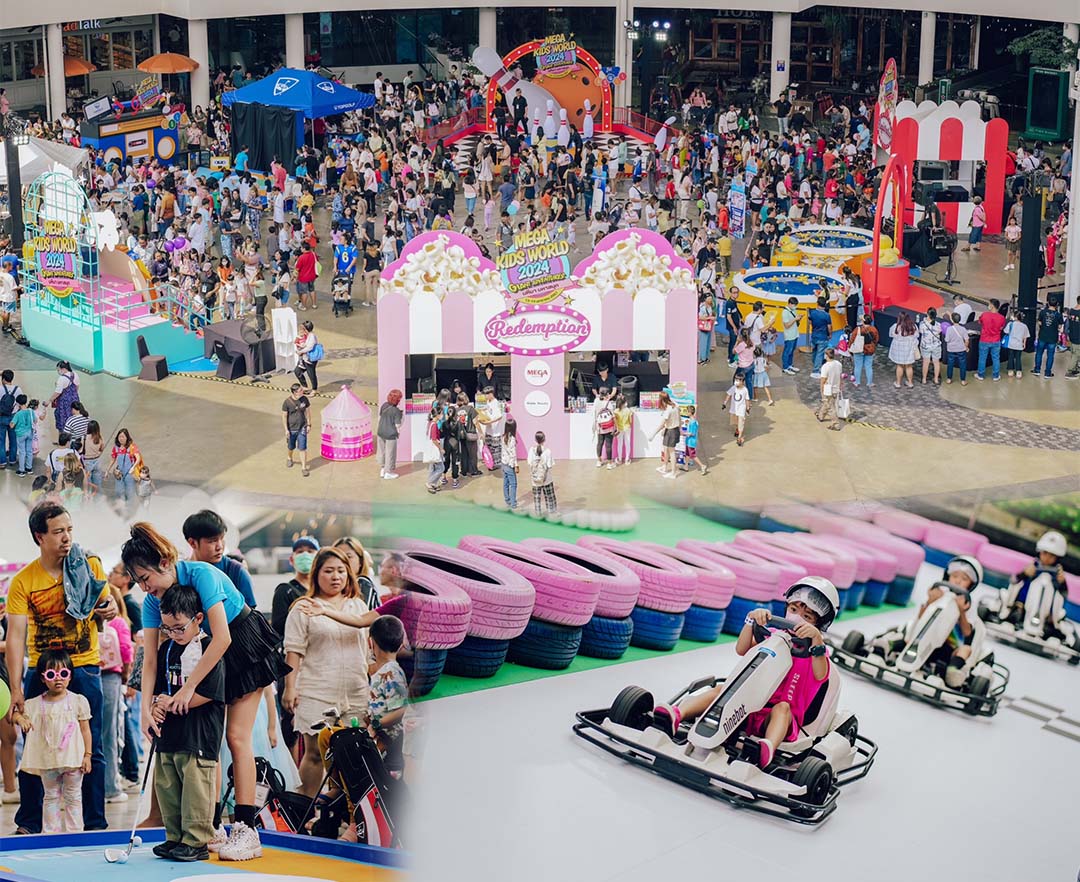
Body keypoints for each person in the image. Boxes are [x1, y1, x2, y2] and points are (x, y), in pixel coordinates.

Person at [121, 522, 289, 861]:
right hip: (205, 655)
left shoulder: (202, 575)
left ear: (164, 563)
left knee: (236, 738)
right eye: (137, 581)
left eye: (145, 578)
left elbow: (223, 638)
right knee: (208, 742)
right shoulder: (154, 602)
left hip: (243, 646)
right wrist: (146, 709)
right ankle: (210, 828)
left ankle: (246, 829)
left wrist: (189, 689)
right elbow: (150, 660)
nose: (144, 587)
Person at [5, 504, 117, 834]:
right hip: (42, 670)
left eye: (69, 529)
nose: (67, 537)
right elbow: (15, 637)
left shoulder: (89, 564)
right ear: (39, 536)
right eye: (58, 532)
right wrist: (16, 688)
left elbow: (106, 604)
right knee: (34, 746)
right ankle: (29, 823)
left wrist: (109, 608)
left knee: (92, 746)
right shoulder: (24, 581)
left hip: (84, 667)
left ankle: (94, 824)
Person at [651, 578, 839, 769]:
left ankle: (767, 747)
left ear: (819, 624)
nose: (797, 618)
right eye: (793, 610)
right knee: (722, 689)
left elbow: (821, 674)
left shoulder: (816, 652)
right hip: (747, 704)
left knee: (782, 708)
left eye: (807, 616)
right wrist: (751, 621)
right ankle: (677, 715)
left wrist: (816, 639)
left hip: (778, 718)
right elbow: (742, 649)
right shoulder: (772, 634)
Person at [283, 548, 374, 796]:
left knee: (353, 754)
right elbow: (293, 651)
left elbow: (368, 651)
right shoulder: (303, 608)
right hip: (317, 690)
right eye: (329, 571)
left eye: (341, 571)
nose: (336, 576)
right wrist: (290, 688)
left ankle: (346, 811)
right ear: (316, 574)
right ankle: (306, 810)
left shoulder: (358, 605)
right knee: (314, 754)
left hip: (355, 691)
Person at [148, 584, 226, 863]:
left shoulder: (209, 648)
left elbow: (211, 692)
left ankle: (195, 841)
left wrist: (172, 702)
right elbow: (159, 688)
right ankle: (174, 837)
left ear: (198, 619)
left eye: (179, 628)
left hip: (198, 734)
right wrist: (157, 705)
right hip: (170, 734)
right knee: (167, 785)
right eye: (167, 628)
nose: (174, 634)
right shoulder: (167, 648)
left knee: (196, 788)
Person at [13, 650, 93, 832]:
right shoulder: (34, 704)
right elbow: (15, 713)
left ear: (70, 676)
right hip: (48, 761)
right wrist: (21, 720)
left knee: (73, 796)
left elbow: (85, 730)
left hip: (73, 760)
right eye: (51, 674)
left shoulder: (78, 701)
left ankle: (75, 833)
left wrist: (87, 755)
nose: (58, 679)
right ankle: (51, 833)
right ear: (43, 678)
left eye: (63, 673)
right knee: (50, 796)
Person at [182, 510, 258, 609]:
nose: (220, 546)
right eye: (212, 541)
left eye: (222, 538)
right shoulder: (183, 574)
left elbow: (250, 615)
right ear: (192, 543)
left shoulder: (236, 572)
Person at [999, 531, 1069, 630]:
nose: (1047, 558)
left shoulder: (1058, 574)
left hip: (1046, 609)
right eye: (1045, 553)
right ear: (1040, 552)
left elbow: (1064, 594)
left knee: (1056, 598)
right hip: (1025, 604)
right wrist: (1024, 574)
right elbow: (1013, 581)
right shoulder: (1033, 567)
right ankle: (1017, 609)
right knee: (1023, 588)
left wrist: (1062, 583)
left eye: (1052, 556)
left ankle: (1049, 622)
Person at [367, 615, 408, 772]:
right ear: (401, 644)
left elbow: (402, 709)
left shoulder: (391, 672)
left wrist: (376, 724)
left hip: (392, 748)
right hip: (383, 744)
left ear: (371, 642)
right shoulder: (385, 671)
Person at [650, 390, 681, 479]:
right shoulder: (675, 405)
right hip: (673, 430)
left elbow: (662, 424)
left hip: (671, 431)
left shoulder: (668, 410)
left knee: (672, 452)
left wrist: (653, 434)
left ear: (662, 400)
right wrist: (679, 429)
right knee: (665, 449)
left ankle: (673, 472)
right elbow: (679, 418)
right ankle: (664, 467)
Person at [282, 383, 311, 477]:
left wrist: (309, 424)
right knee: (291, 447)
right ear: (295, 392)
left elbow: (307, 412)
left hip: (302, 427)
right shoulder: (287, 402)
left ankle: (304, 468)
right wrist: (286, 430)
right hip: (292, 429)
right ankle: (289, 457)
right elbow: (284, 416)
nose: (303, 391)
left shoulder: (304, 399)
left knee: (302, 448)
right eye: (300, 390)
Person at [527, 431, 557, 515]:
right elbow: (550, 465)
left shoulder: (531, 450)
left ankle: (538, 513)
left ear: (535, 440)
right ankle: (551, 511)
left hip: (535, 479)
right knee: (549, 496)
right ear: (544, 439)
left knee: (537, 497)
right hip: (546, 479)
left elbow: (529, 463)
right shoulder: (547, 451)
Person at [976, 299, 1006, 381]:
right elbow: (1001, 327)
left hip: (984, 340)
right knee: (996, 358)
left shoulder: (984, 315)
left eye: (989, 304)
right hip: (996, 340)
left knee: (982, 358)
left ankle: (980, 375)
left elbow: (980, 322)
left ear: (992, 306)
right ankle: (996, 376)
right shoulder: (1002, 317)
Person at [110, 428, 142, 503]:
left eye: (123, 437)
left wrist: (133, 468)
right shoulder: (116, 448)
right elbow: (113, 459)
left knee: (130, 491)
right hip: (119, 473)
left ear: (127, 437)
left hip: (129, 473)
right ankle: (122, 505)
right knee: (119, 491)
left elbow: (138, 458)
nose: (121, 438)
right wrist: (108, 471)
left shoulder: (132, 447)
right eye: (119, 437)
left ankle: (130, 505)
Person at [377, 389, 403, 480]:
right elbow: (398, 425)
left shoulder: (384, 405)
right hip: (390, 434)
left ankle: (382, 469)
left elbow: (380, 417)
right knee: (390, 453)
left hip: (380, 431)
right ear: (398, 400)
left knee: (382, 451)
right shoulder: (396, 411)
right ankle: (388, 472)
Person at [888, 311, 918, 388]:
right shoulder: (913, 326)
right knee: (909, 366)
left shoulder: (895, 327)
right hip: (909, 349)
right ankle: (910, 383)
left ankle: (898, 383)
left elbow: (891, 334)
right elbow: (916, 336)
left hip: (899, 349)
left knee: (899, 365)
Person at [49, 361, 80, 435]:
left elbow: (58, 392)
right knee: (74, 417)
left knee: (62, 420)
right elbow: (77, 387)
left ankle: (63, 438)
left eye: (58, 370)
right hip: (74, 400)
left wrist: (49, 400)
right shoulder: (75, 374)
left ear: (63, 369)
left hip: (64, 403)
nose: (58, 372)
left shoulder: (61, 378)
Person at [1034, 300, 1063, 379]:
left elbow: (1039, 323)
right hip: (1053, 338)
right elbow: (1060, 327)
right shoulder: (1058, 315)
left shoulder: (1043, 312)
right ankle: (1047, 373)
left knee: (1039, 353)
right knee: (1050, 356)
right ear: (1057, 304)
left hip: (1042, 336)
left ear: (1048, 303)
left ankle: (1037, 370)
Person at [817, 347, 843, 431]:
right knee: (828, 403)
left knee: (831, 407)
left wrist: (821, 391)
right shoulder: (838, 364)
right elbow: (840, 376)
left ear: (826, 355)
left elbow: (823, 380)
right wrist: (841, 385)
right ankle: (821, 415)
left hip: (828, 389)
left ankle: (836, 424)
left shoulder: (825, 366)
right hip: (836, 387)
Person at [0, 369, 21, 469]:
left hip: (2, 417)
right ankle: (12, 460)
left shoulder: (0, 389)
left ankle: (2, 462)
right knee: (13, 439)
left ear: (3, 379)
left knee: (1, 440)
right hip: (14, 417)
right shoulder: (18, 389)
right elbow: (21, 404)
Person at [10, 394, 35, 477]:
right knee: (29, 451)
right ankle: (29, 468)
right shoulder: (31, 411)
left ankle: (21, 470)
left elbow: (12, 425)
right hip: (30, 433)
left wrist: (11, 423)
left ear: (18, 403)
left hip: (20, 434)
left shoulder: (18, 414)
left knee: (22, 452)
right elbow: (35, 421)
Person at [917, 308, 943, 385]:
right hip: (936, 346)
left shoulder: (922, 324)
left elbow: (920, 331)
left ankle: (924, 379)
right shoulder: (939, 325)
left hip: (926, 346)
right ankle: (936, 379)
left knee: (926, 362)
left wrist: (925, 320)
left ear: (928, 314)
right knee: (936, 362)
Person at [849, 318, 878, 387]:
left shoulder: (858, 329)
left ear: (863, 321)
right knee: (868, 366)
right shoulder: (874, 329)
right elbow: (876, 340)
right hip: (869, 350)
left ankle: (857, 382)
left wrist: (850, 347)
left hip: (858, 349)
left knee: (858, 366)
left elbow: (852, 339)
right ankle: (869, 383)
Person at [724, 372, 750, 446]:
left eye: (739, 380)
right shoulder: (733, 388)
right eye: (736, 380)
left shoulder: (745, 390)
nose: (737, 382)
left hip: (741, 409)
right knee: (735, 422)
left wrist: (747, 408)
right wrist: (724, 403)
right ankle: (737, 429)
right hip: (734, 409)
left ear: (743, 382)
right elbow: (728, 395)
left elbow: (747, 399)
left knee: (741, 422)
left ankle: (739, 437)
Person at [593, 387, 617, 469]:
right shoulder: (608, 403)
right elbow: (613, 416)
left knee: (600, 443)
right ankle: (609, 463)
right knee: (608, 444)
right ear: (607, 394)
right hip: (609, 426)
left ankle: (599, 461)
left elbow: (594, 413)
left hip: (600, 426)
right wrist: (616, 427)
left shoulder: (596, 401)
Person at [808, 297, 832, 377]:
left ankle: (815, 364)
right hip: (823, 336)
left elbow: (810, 322)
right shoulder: (827, 315)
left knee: (815, 351)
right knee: (820, 354)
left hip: (814, 335)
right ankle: (816, 370)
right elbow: (829, 327)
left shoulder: (812, 313)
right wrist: (830, 334)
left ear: (817, 303)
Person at [944, 314, 971, 385]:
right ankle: (963, 380)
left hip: (951, 350)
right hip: (961, 349)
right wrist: (966, 347)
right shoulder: (963, 329)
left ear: (952, 320)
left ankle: (949, 379)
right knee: (962, 365)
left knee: (950, 364)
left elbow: (947, 340)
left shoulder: (949, 329)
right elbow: (967, 340)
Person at [1003, 308, 1030, 378]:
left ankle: (1010, 370)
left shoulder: (1010, 324)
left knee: (1010, 357)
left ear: (1015, 317)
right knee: (1018, 358)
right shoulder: (1024, 326)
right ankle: (1018, 371)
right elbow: (1025, 336)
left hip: (1011, 344)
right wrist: (1024, 344)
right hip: (1019, 345)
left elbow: (1006, 331)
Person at [294, 320, 320, 391]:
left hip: (310, 359)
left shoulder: (312, 336)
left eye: (303, 328)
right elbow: (305, 344)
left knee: (311, 374)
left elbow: (310, 347)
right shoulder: (307, 335)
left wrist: (301, 351)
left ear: (306, 329)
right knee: (297, 371)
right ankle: (304, 386)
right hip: (304, 358)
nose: (301, 329)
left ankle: (314, 389)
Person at [683, 405, 708, 475]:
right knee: (687, 454)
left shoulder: (693, 422)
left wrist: (684, 433)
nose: (686, 413)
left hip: (691, 442)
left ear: (690, 413)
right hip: (688, 441)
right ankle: (686, 466)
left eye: (687, 411)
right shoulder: (692, 419)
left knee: (692, 455)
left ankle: (702, 466)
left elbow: (693, 433)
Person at [501, 417, 519, 509]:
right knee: (513, 484)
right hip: (509, 464)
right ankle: (513, 503)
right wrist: (516, 465)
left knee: (506, 483)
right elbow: (513, 454)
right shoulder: (512, 439)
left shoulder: (503, 437)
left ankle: (507, 500)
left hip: (503, 463)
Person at [780, 297, 800, 375]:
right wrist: (795, 319)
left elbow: (795, 321)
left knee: (792, 351)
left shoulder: (794, 310)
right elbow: (787, 325)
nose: (795, 307)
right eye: (794, 305)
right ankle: (785, 367)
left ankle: (790, 365)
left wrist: (799, 318)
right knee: (787, 351)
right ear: (790, 304)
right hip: (789, 335)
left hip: (795, 334)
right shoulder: (785, 312)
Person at [613, 395, 633, 464]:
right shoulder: (628, 410)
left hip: (619, 429)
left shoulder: (616, 411)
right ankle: (627, 459)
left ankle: (619, 459)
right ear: (625, 402)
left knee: (620, 443)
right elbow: (630, 421)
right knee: (628, 443)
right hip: (627, 428)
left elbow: (614, 420)